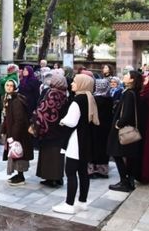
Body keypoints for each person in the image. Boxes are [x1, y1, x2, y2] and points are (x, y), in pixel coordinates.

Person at [52, 74, 99, 215]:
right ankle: (82, 201)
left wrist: (61, 121)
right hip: (86, 140)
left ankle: (69, 204)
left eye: (75, 81)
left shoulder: (78, 100)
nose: (72, 83)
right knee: (83, 172)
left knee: (71, 172)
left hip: (76, 140)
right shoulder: (90, 98)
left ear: (82, 84)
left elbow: (71, 121)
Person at [31, 74, 69, 188]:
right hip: (59, 128)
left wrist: (35, 117)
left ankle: (50, 178)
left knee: (49, 154)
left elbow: (45, 109)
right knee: (58, 154)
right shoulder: (64, 93)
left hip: (49, 129)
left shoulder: (52, 92)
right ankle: (58, 178)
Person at [107, 70, 143, 192]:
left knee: (117, 154)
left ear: (132, 79)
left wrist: (118, 124)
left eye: (127, 75)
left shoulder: (129, 94)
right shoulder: (135, 92)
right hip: (131, 129)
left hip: (124, 129)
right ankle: (129, 180)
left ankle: (124, 181)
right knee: (129, 156)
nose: (124, 76)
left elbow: (127, 114)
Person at [1, 79, 33, 186]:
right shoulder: (8, 98)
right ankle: (18, 174)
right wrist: (3, 130)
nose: (9, 87)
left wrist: (14, 136)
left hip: (19, 134)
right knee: (14, 153)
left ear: (15, 87)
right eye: (7, 85)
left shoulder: (16, 100)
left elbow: (19, 120)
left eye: (11, 85)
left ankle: (20, 176)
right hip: (12, 131)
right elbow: (6, 117)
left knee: (19, 153)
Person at [88, 79, 113, 179]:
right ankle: (102, 170)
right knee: (103, 148)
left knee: (93, 147)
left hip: (94, 126)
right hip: (105, 128)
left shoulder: (93, 99)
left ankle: (92, 169)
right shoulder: (109, 99)